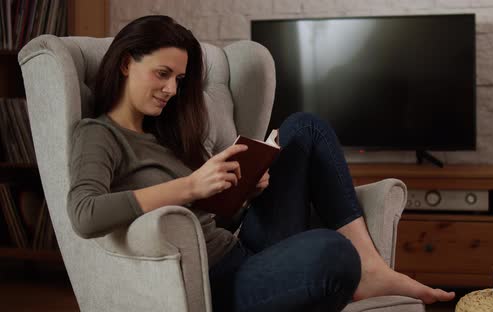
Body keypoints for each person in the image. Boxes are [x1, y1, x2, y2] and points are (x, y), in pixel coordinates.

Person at [67, 15, 455, 312]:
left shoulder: (167, 134)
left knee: (305, 128)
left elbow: (211, 221)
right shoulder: (99, 134)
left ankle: (371, 269)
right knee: (330, 252)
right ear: (124, 65)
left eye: (179, 79)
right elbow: (84, 215)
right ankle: (349, 269)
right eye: (162, 74)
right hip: (214, 280)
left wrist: (243, 193)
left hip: (244, 250)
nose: (171, 89)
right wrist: (191, 186)